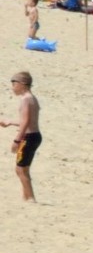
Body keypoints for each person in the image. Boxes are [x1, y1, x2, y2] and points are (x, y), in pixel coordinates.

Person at [1, 72, 42, 202]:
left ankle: (30, 198)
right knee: (24, 169)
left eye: (14, 84)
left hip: (28, 137)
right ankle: (26, 197)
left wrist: (16, 140)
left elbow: (25, 123)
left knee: (20, 170)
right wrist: (10, 122)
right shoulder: (32, 98)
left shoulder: (25, 100)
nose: (12, 87)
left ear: (22, 84)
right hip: (35, 136)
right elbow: (30, 121)